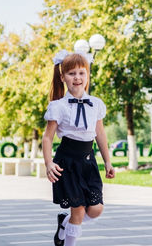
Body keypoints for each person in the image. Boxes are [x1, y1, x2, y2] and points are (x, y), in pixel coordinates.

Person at [42, 50, 115, 246]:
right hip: (67, 162)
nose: (77, 78)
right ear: (63, 76)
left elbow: (100, 134)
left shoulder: (96, 104)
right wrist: (48, 163)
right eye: (72, 73)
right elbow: (47, 138)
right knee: (79, 209)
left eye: (82, 73)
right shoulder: (58, 106)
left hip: (88, 161)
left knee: (96, 209)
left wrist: (107, 161)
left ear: (87, 75)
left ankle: (64, 223)